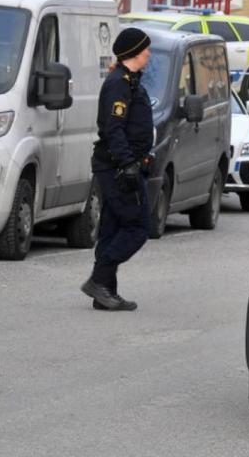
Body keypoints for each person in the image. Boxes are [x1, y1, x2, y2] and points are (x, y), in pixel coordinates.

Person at [80, 27, 155, 311]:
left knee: (112, 226)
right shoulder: (118, 84)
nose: (149, 53)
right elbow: (114, 128)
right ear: (135, 52)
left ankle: (106, 292)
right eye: (146, 49)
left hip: (122, 165)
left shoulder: (130, 81)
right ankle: (99, 280)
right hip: (119, 168)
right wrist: (128, 164)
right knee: (138, 227)